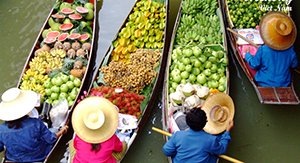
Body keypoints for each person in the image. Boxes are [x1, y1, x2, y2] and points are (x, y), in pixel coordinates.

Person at [0, 87, 68, 162]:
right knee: (54, 129)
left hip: (13, 159)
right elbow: (51, 139)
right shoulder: (35, 123)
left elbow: (0, 147)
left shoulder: (1, 129)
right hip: (39, 157)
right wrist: (62, 131)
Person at [163, 93, 234, 163]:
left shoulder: (178, 135)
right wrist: (227, 131)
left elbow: (167, 151)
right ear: (205, 123)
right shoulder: (210, 140)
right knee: (214, 151)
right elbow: (221, 150)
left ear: (187, 122)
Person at [245, 11, 298, 87]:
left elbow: (254, 64)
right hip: (284, 83)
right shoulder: (291, 51)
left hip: (264, 82)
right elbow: (294, 65)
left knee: (248, 63)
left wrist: (248, 55)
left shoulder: (263, 50)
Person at [71, 96, 126, 163]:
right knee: (124, 145)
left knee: (71, 144)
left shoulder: (80, 136)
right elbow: (119, 148)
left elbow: (75, 146)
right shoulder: (111, 138)